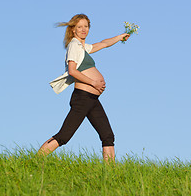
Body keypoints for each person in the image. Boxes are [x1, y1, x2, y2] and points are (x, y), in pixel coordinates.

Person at [37, 14, 130, 161]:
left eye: (86, 26)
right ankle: (34, 161)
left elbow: (103, 43)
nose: (83, 29)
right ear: (73, 29)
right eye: (79, 27)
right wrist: (93, 83)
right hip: (83, 98)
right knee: (64, 136)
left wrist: (120, 37)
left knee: (107, 136)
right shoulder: (74, 45)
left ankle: (111, 174)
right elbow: (73, 70)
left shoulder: (81, 47)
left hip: (92, 99)